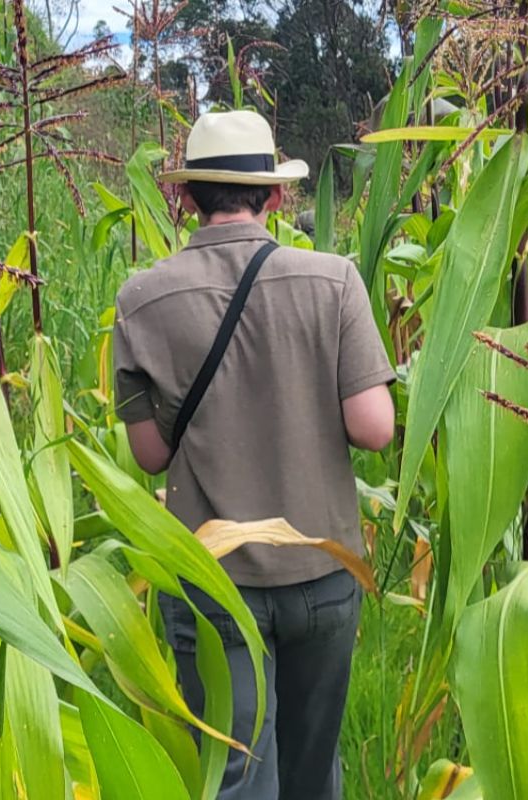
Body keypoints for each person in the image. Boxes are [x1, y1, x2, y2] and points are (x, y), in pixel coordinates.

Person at [110, 109, 396, 799]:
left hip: (213, 583)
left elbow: (150, 454)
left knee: (237, 778)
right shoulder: (334, 281)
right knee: (310, 773)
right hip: (324, 573)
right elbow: (375, 427)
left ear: (184, 198)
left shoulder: (142, 300)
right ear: (273, 195)